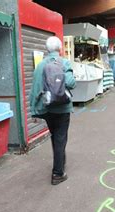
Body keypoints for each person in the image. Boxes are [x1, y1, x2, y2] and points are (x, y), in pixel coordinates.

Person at [29, 36, 76, 185]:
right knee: (61, 138)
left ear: (47, 49)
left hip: (47, 108)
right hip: (62, 108)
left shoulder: (41, 65)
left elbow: (35, 89)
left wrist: (33, 111)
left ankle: (60, 162)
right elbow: (71, 83)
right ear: (60, 49)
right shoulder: (64, 63)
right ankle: (57, 173)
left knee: (55, 136)